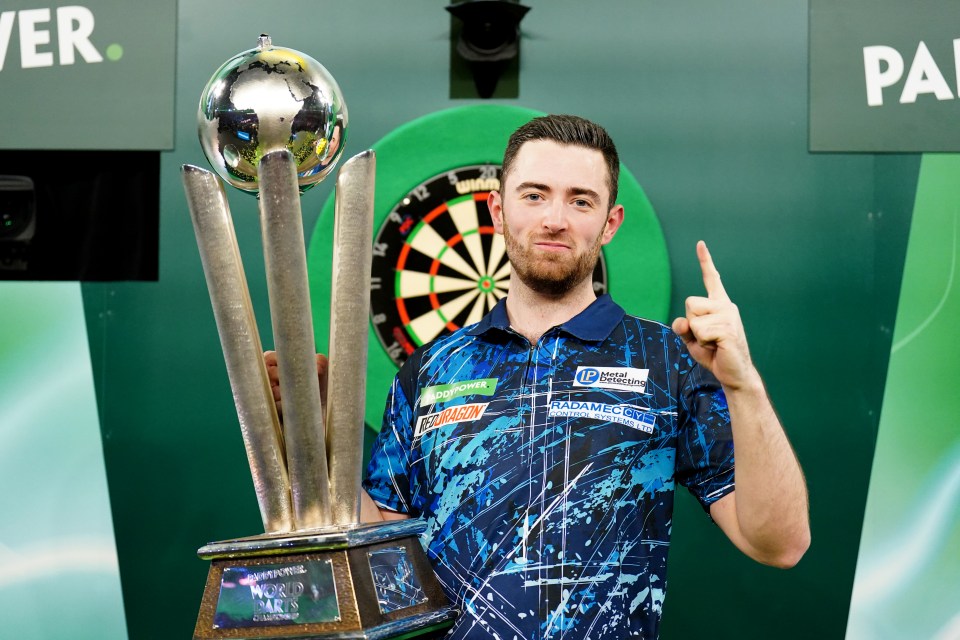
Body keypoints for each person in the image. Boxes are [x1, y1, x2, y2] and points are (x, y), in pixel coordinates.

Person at [269, 114, 810, 639]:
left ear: (610, 222)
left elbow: (780, 544)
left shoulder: (665, 359)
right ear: (498, 210)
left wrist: (744, 385)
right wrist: (313, 435)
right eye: (534, 195)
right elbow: (378, 550)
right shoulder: (431, 369)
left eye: (581, 200)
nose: (556, 218)